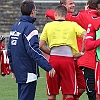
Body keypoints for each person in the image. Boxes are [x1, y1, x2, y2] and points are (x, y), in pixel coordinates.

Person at [45, 0, 100, 100]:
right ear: (63, 6)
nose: (73, 5)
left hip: (80, 59)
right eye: (70, 3)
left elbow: (41, 44)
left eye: (73, 3)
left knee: (81, 88)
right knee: (70, 90)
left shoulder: (76, 18)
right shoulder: (74, 21)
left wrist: (48, 12)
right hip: (76, 59)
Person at [7, 1, 56, 100]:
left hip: (19, 70)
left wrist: (13, 68)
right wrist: (48, 67)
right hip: (27, 71)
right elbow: (34, 51)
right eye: (36, 10)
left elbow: (10, 50)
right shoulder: (30, 28)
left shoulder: (15, 26)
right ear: (32, 11)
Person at [39, 5, 86, 100]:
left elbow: (40, 45)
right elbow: (85, 34)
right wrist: (81, 52)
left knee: (51, 93)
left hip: (53, 60)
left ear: (55, 14)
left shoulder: (48, 26)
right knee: (69, 92)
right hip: (68, 60)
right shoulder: (72, 24)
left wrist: (50, 53)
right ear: (65, 15)